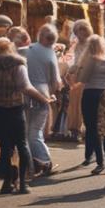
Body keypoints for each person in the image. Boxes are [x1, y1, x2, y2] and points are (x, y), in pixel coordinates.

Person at [0, 38, 54, 194]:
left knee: (5, 147)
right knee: (22, 144)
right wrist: (44, 100)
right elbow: (26, 87)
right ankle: (22, 183)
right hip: (14, 109)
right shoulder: (17, 64)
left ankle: (7, 182)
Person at [77, 35, 105, 175]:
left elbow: (82, 79)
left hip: (92, 95)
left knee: (94, 129)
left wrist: (79, 67)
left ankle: (100, 162)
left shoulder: (92, 60)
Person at [22, 24, 62, 176]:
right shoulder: (50, 54)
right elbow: (56, 82)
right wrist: (51, 94)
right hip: (42, 93)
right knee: (35, 131)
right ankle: (44, 161)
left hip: (25, 93)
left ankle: (31, 163)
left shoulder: (27, 50)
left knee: (27, 132)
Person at [66, 20, 93, 146]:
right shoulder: (77, 45)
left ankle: (87, 130)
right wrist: (72, 69)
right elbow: (76, 61)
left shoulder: (93, 44)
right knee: (75, 105)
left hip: (89, 78)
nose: (79, 34)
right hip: (78, 77)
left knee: (85, 105)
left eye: (81, 31)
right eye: (77, 32)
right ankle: (76, 130)